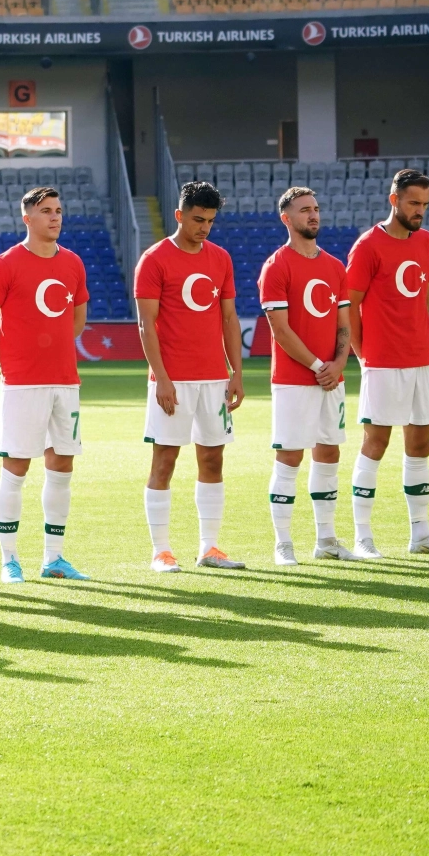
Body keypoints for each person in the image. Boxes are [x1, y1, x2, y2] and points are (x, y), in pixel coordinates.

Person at [0, 186, 90, 583]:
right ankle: (10, 560)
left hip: (65, 381)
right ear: (27, 218)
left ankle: (54, 558)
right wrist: (8, 360)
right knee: (16, 466)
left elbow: (77, 317)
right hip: (23, 384)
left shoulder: (73, 262)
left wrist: (56, 349)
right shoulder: (5, 264)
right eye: (45, 211)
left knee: (61, 465)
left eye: (58, 210)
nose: (54, 217)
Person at [345, 168, 429, 558]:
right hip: (382, 363)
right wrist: (364, 356)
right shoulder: (367, 246)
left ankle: (421, 534)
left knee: (421, 444)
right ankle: (363, 536)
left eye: (425, 205)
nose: (420, 212)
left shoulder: (427, 242)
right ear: (393, 200)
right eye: (414, 203)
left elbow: (425, 297)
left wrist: (414, 333)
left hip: (420, 361)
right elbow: (350, 308)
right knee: (375, 443)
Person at [134, 181, 246, 573]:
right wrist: (162, 378)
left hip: (214, 379)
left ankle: (210, 548)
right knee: (165, 460)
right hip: (173, 379)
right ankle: (161, 551)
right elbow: (146, 323)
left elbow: (229, 318)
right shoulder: (154, 259)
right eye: (198, 219)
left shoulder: (220, 259)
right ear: (179, 214)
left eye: (211, 221)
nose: (204, 228)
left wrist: (236, 372)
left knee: (212, 459)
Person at [258, 186, 359, 565]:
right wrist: (319, 366)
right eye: (304, 210)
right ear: (287, 219)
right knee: (289, 457)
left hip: (331, 378)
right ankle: (283, 543)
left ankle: (327, 540)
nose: (313, 215)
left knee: (329, 452)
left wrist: (339, 362)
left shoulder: (335, 267)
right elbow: (280, 330)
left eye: (316, 209)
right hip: (293, 380)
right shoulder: (276, 266)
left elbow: (344, 323)